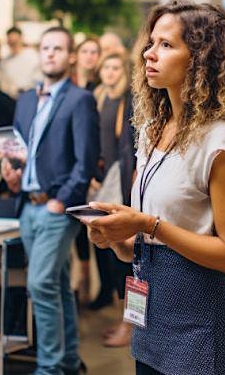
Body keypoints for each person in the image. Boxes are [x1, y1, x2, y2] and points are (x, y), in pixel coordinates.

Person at [85, 0, 225, 375]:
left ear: (200, 58)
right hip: (150, 316)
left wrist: (148, 224)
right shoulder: (152, 131)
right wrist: (116, 236)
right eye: (151, 42)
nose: (150, 53)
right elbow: (141, 248)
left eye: (166, 45)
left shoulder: (220, 143)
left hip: (198, 320)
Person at [0, 26, 98, 375]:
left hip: (56, 208)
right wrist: (10, 175)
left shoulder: (79, 99)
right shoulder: (26, 99)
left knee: (39, 283)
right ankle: (69, 362)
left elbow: (86, 161)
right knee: (55, 284)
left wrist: (62, 201)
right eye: (45, 48)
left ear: (70, 56)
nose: (50, 54)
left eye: (58, 48)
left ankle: (50, 367)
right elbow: (17, 152)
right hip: (27, 205)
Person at [88, 53, 135, 347]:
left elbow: (127, 148)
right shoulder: (97, 97)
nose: (110, 72)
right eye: (106, 67)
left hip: (121, 186)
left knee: (127, 262)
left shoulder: (126, 101)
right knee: (111, 255)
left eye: (116, 68)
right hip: (103, 183)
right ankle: (124, 322)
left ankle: (129, 326)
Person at [0, 27, 44, 98]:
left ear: (21, 39)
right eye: (11, 42)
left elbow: (40, 78)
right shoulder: (3, 63)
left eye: (15, 41)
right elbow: (3, 84)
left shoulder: (34, 57)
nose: (13, 44)